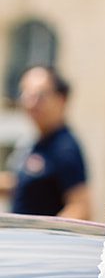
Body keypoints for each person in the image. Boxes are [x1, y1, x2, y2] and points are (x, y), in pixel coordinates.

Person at [4, 66, 91, 221]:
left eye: (39, 96)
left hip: (37, 243)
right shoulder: (35, 142)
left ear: (62, 100)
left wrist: (46, 237)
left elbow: (80, 207)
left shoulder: (65, 147)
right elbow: (22, 184)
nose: (31, 103)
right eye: (26, 94)